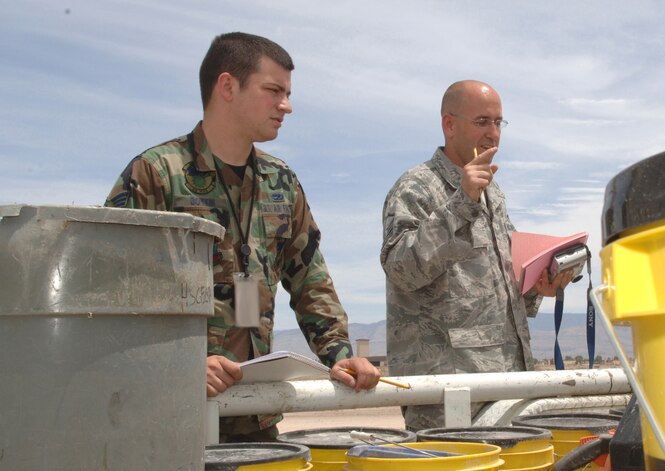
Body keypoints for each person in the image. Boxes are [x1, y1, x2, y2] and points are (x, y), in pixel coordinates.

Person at [105, 32, 379, 441]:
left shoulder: (280, 182)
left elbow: (310, 279)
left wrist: (340, 356)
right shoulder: (157, 174)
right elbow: (111, 289)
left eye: (287, 93)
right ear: (228, 86)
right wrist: (180, 362)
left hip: (255, 414)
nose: (286, 106)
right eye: (273, 91)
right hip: (172, 414)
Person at [380, 80, 572, 431]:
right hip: (449, 396)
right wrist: (461, 202)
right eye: (482, 122)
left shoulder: (492, 193)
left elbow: (499, 281)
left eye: (499, 123)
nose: (493, 133)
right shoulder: (416, 187)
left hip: (506, 385)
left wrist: (537, 286)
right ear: (449, 125)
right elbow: (401, 269)